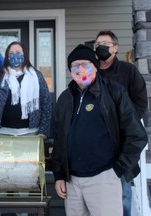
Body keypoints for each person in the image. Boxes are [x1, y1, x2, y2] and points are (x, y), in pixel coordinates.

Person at [51, 44, 148, 216]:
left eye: (85, 64)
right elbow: (59, 139)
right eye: (75, 65)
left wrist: (118, 170)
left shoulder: (114, 92)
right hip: (72, 182)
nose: (80, 69)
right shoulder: (64, 99)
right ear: (70, 70)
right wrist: (59, 174)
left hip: (104, 178)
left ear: (95, 67)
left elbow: (137, 135)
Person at [94, 30, 148, 216]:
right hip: (96, 141)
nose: (100, 48)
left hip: (122, 141)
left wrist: (125, 124)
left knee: (122, 191)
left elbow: (141, 103)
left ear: (115, 48)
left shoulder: (128, 71)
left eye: (105, 44)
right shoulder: (90, 72)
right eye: (97, 45)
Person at [0, 41, 52, 137]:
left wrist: (43, 131)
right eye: (11, 53)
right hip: (1, 133)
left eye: (18, 52)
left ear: (25, 54)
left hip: (30, 134)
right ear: (7, 57)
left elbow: (46, 103)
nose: (15, 56)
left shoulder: (36, 76)